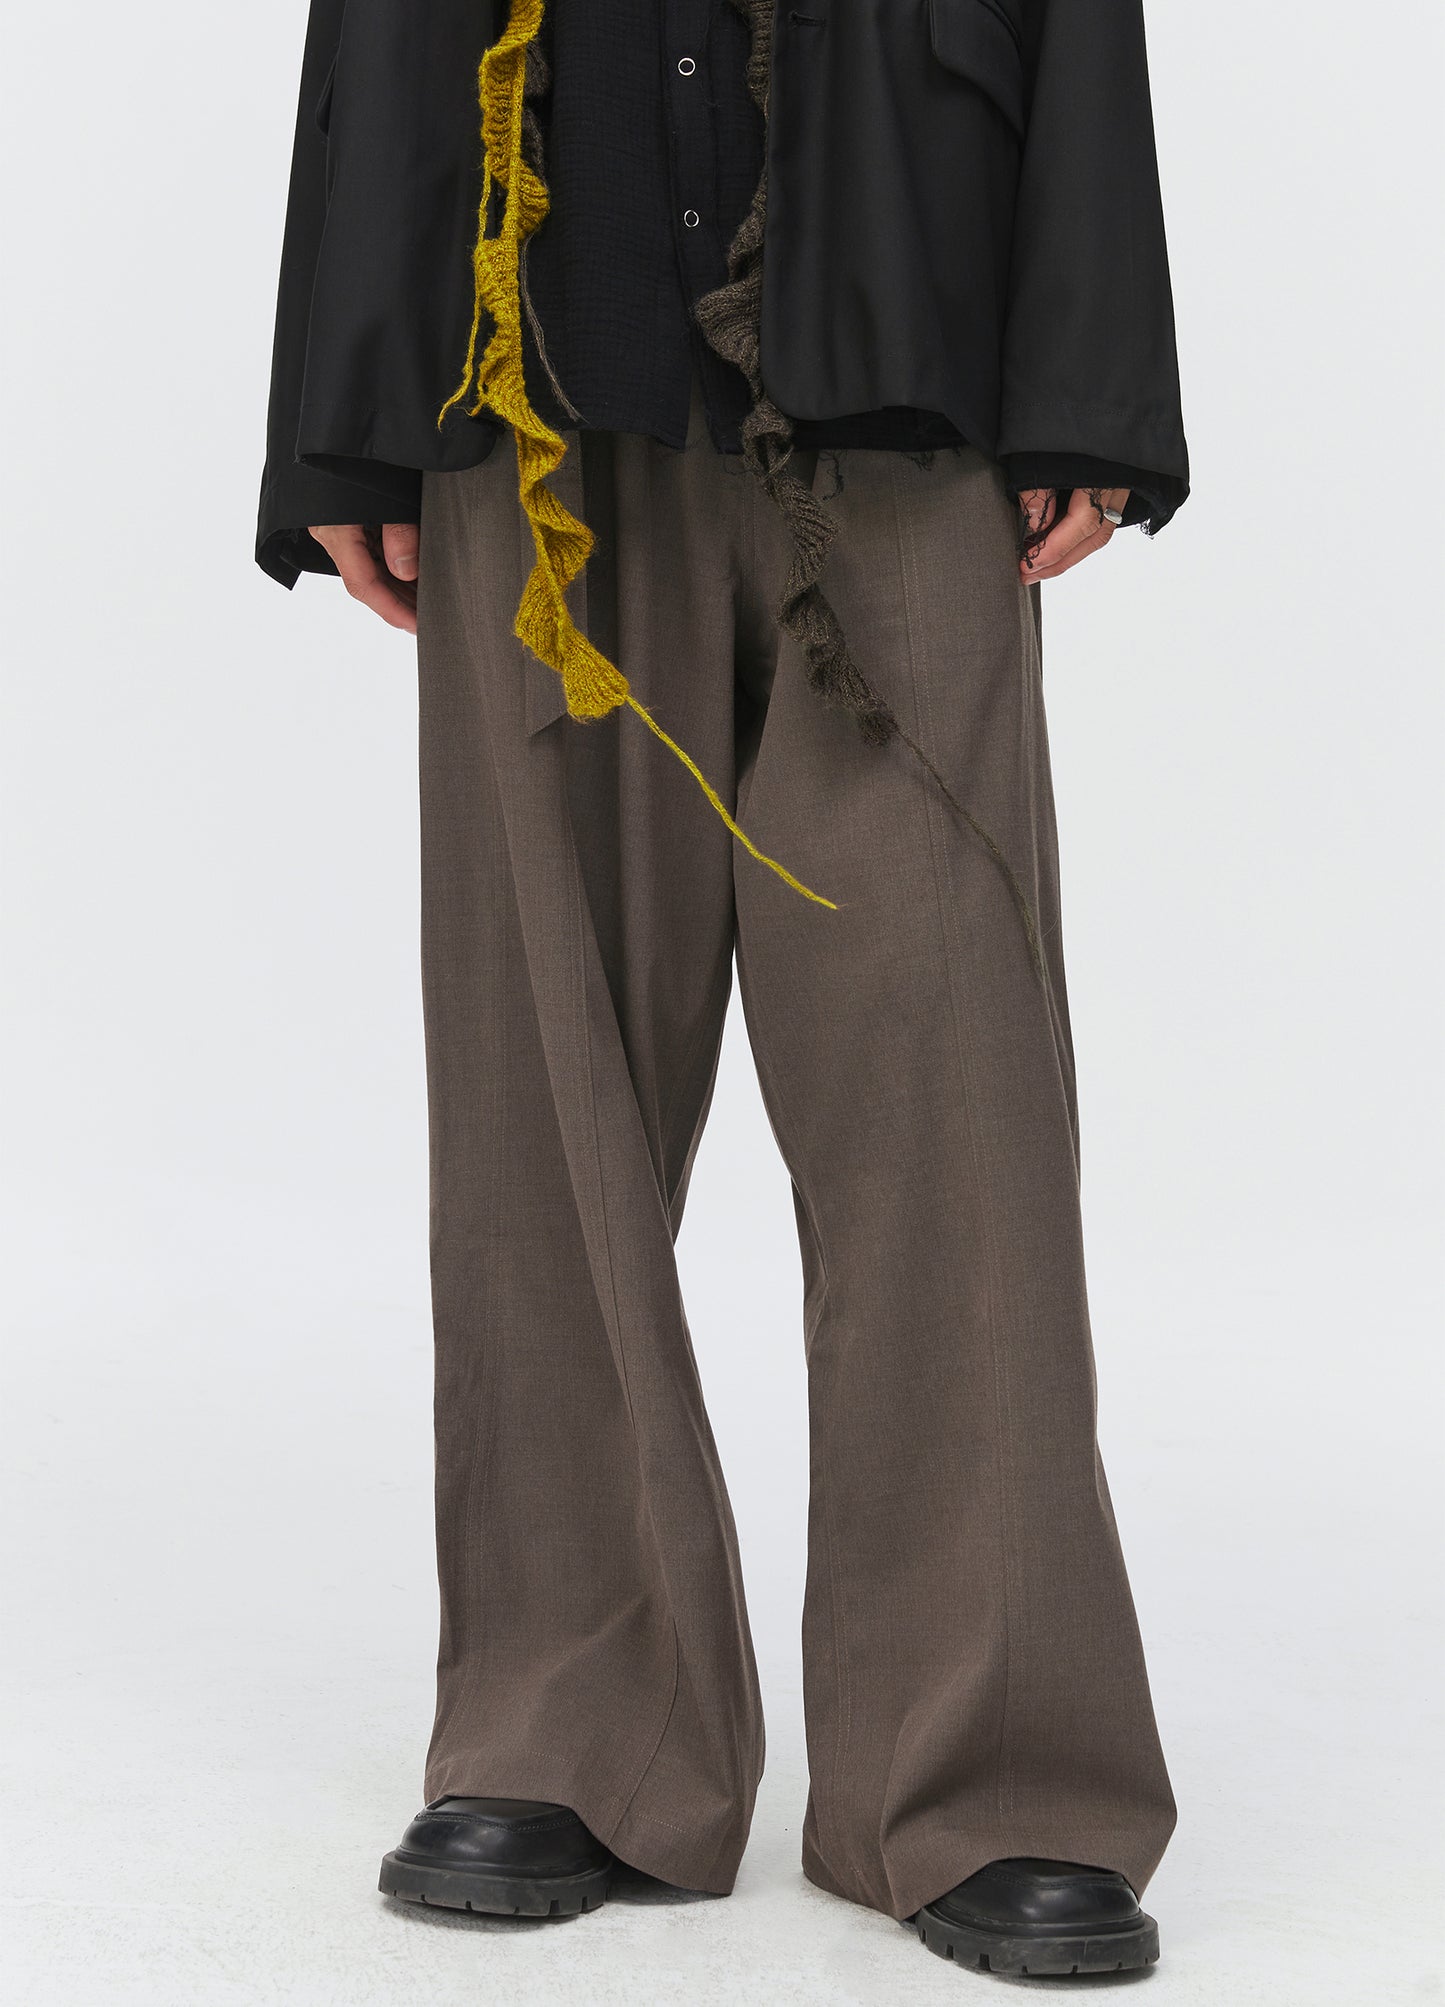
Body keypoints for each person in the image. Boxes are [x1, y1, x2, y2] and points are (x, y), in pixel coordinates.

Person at [257, 0, 1188, 1979]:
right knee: (539, 1081)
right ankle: (571, 1730)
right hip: (527, 369)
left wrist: (1092, 379)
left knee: (952, 1092)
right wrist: (343, 402)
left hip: (906, 350)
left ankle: (991, 1769)